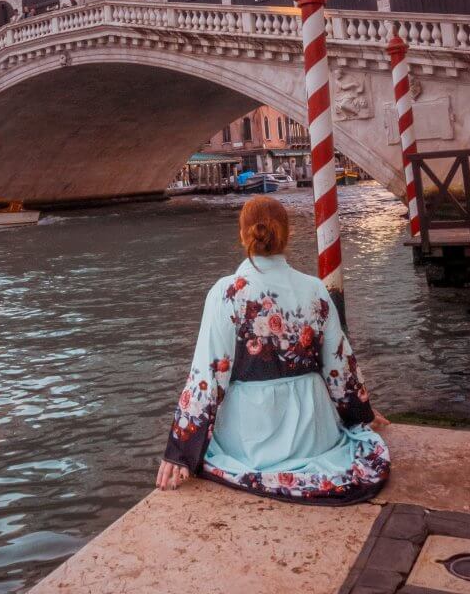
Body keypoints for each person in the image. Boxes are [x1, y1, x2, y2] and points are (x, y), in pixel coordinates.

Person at [157, 196, 390, 504]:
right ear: (287, 234)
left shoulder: (227, 292)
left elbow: (208, 376)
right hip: (314, 431)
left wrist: (180, 451)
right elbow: (339, 366)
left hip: (252, 436)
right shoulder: (315, 288)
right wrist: (361, 414)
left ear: (243, 235)